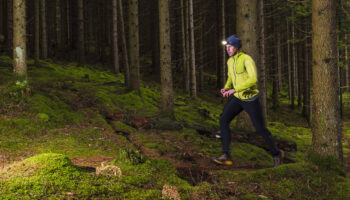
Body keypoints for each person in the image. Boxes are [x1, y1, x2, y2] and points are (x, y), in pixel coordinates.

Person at [212, 34, 284, 167]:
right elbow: (230, 77)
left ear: (237, 47)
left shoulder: (247, 59)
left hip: (250, 98)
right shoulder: (230, 61)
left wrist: (234, 90)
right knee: (223, 120)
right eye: (226, 47)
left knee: (260, 128)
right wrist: (227, 87)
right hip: (238, 98)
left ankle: (276, 153)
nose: (227, 49)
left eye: (230, 46)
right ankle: (226, 155)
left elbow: (253, 79)